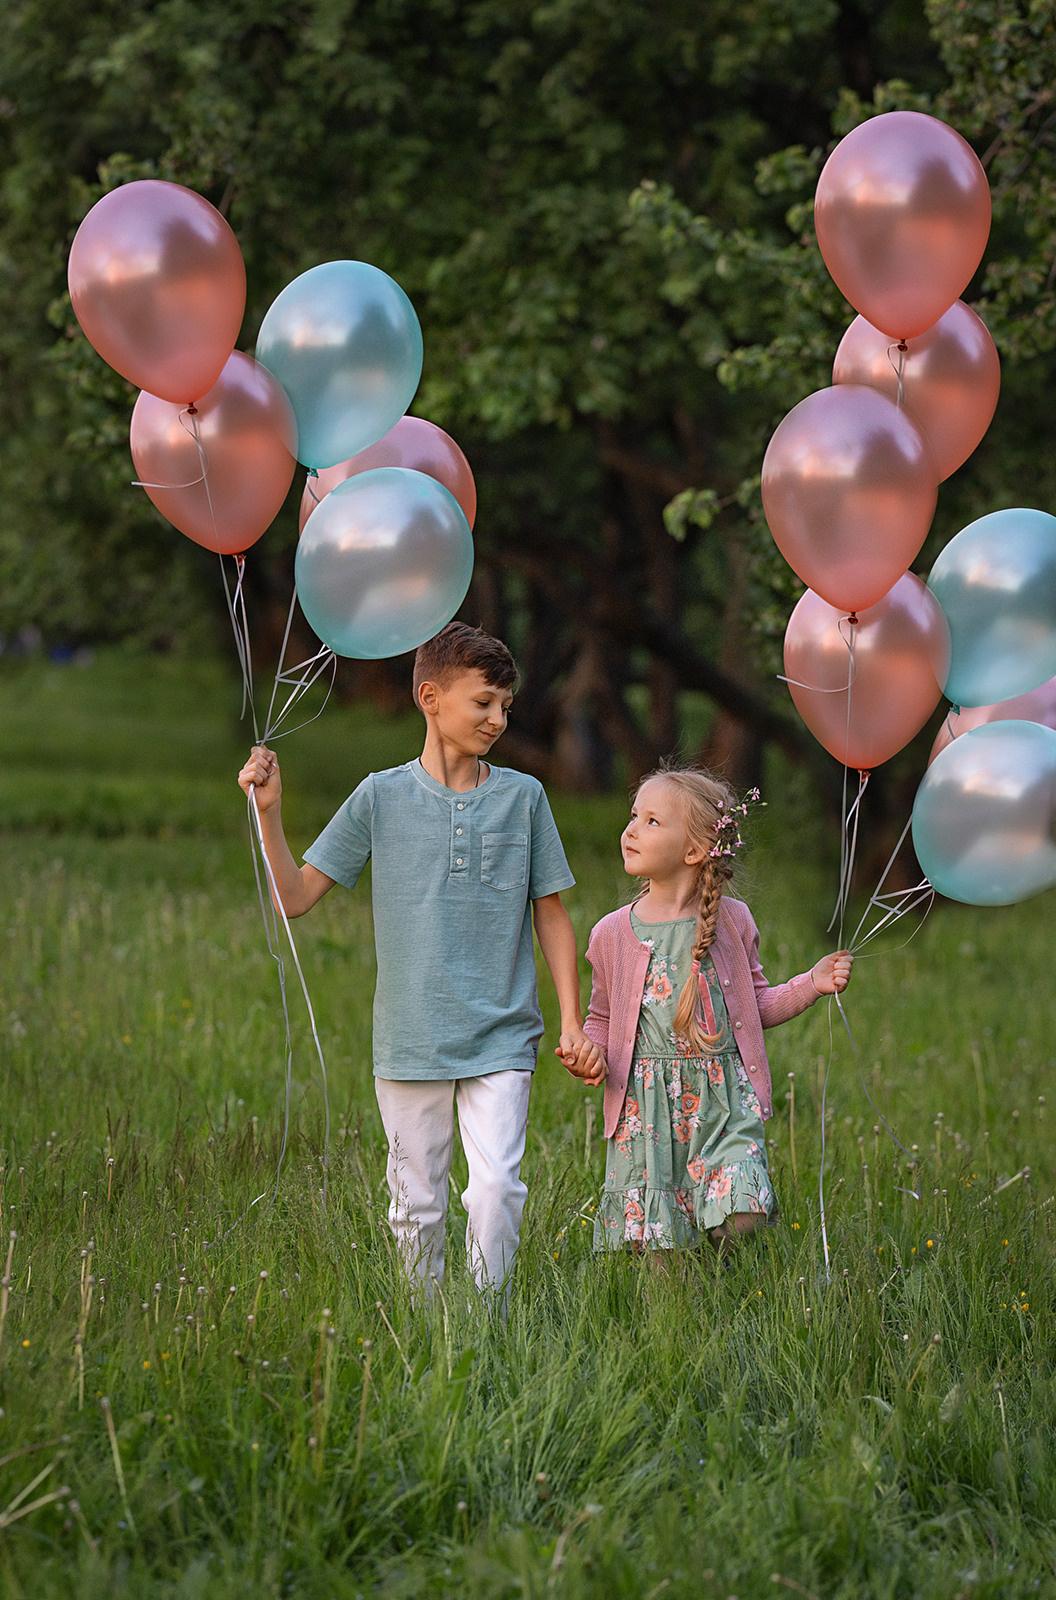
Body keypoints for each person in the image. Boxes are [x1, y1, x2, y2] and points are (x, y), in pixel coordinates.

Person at [238, 622, 602, 1300]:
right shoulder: (380, 796)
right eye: (484, 702)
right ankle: (429, 1336)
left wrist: (571, 1021)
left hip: (503, 1033)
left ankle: (489, 1327)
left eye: (505, 706)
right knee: (417, 1206)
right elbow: (294, 898)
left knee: (496, 1188)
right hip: (410, 1038)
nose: (498, 718)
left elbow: (550, 911)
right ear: (430, 698)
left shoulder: (524, 798)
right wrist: (270, 814)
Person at [561, 764, 851, 1254]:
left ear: (694, 851)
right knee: (660, 1251)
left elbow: (755, 1005)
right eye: (634, 815)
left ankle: (722, 1259)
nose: (631, 829)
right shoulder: (612, 933)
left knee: (742, 1213)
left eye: (653, 822)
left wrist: (812, 984)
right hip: (646, 1106)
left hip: (720, 1100)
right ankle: (680, 1316)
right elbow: (603, 1018)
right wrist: (588, 1052)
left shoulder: (731, 922)